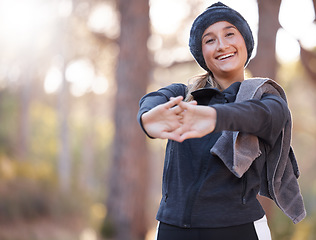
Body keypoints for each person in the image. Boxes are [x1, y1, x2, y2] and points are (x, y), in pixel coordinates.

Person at [137, 2, 306, 240]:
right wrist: (146, 119)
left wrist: (216, 118)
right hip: (172, 229)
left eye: (229, 34)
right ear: (202, 53)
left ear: (245, 42)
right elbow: (152, 100)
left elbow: (266, 117)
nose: (222, 45)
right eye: (210, 40)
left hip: (239, 229)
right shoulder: (184, 95)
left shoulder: (265, 96)